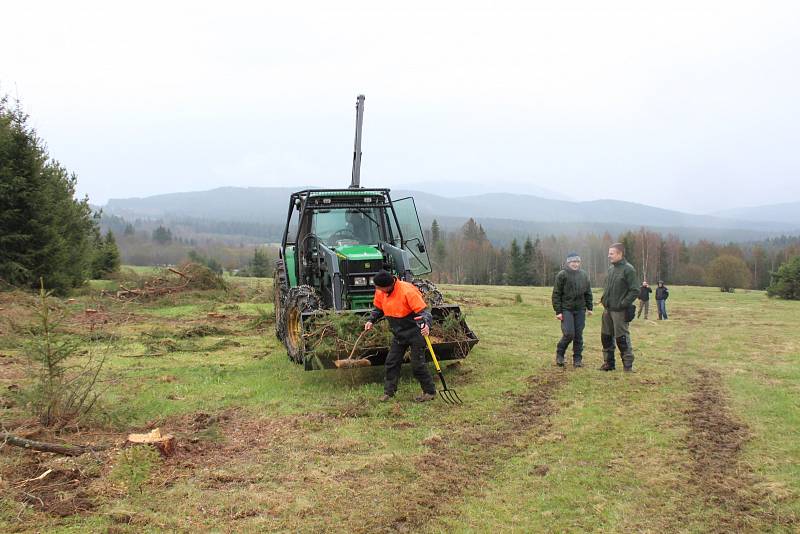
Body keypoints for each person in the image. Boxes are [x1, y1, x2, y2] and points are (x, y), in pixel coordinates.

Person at [365, 270, 437, 402]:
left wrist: (426, 325)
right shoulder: (381, 291)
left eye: (380, 288)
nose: (378, 290)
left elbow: (425, 312)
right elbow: (378, 309)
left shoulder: (407, 291)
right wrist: (371, 320)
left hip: (416, 332)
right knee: (391, 362)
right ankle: (389, 393)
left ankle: (429, 392)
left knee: (417, 365)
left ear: (388, 286)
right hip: (398, 333)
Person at [599, 243, 640, 372]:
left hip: (620, 312)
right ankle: (609, 363)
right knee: (605, 337)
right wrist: (604, 299)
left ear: (619, 254)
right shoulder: (611, 269)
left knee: (621, 338)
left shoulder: (629, 269)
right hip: (607, 310)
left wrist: (623, 304)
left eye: (611, 253)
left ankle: (628, 365)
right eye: (609, 253)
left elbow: (635, 290)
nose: (608, 255)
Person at [551, 252, 593, 368]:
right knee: (569, 333)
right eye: (573, 262)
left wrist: (590, 307)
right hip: (566, 309)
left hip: (580, 309)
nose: (575, 264)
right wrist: (558, 311)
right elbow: (556, 294)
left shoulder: (584, 275)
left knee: (578, 335)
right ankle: (560, 353)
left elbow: (588, 292)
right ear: (568, 262)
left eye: (577, 262)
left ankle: (577, 359)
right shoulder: (562, 275)